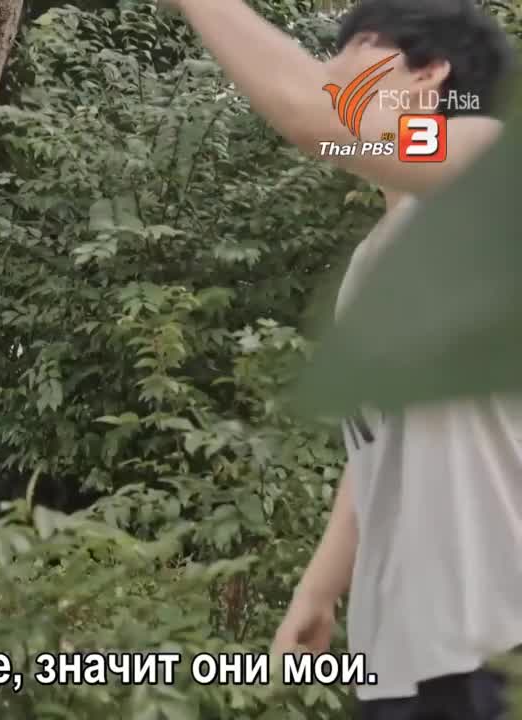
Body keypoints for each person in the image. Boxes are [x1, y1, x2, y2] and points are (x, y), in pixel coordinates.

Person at [162, 0, 518, 717]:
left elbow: (320, 118)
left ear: (430, 70)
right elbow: (384, 443)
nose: (329, 68)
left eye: (358, 47)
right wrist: (319, 590)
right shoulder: (376, 263)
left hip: (497, 643)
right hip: (400, 662)